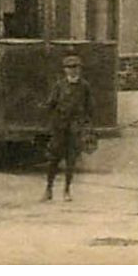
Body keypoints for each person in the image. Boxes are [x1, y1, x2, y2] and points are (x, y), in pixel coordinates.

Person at [41, 53, 92, 202]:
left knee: (71, 160)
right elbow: (51, 104)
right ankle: (48, 189)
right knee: (54, 159)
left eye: (75, 67)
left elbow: (90, 107)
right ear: (64, 70)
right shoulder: (59, 85)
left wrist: (86, 124)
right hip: (60, 127)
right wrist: (51, 120)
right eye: (69, 67)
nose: (73, 70)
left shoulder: (84, 86)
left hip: (75, 127)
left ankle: (67, 190)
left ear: (80, 69)